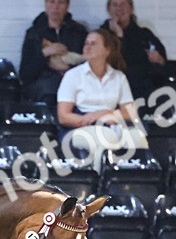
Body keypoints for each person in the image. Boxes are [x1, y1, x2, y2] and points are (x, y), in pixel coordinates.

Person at [56, 29, 138, 166]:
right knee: (103, 139)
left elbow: (130, 112)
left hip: (111, 123)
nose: (87, 47)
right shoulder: (73, 75)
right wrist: (89, 119)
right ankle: (98, 181)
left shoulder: (119, 77)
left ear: (107, 50)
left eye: (93, 44)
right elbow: (63, 116)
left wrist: (105, 114)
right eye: (86, 43)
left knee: (138, 139)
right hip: (80, 126)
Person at [19, 0, 88, 105]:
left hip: (74, 81)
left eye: (61, 2)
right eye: (52, 1)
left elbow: (89, 62)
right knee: (51, 88)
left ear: (67, 6)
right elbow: (25, 74)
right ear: (46, 4)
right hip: (43, 84)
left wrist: (67, 70)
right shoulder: (34, 33)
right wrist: (45, 53)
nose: (56, 6)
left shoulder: (79, 31)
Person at [98, 0, 167, 101]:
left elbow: (163, 62)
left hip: (141, 91)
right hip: (108, 92)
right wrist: (119, 35)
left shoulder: (144, 34)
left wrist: (159, 59)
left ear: (131, 9)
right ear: (108, 10)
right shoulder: (99, 36)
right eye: (115, 5)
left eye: (123, 5)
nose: (119, 9)